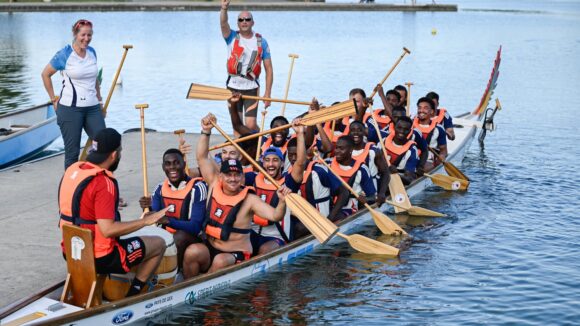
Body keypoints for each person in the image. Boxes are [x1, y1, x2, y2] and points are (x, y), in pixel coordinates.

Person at [58, 128, 167, 297]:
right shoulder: (104, 181)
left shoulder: (73, 169)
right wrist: (146, 221)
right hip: (102, 258)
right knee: (159, 244)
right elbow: (108, 230)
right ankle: (133, 296)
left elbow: (81, 204)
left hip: (71, 252)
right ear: (114, 155)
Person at [183, 114, 290, 279]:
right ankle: (187, 286)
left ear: (242, 177)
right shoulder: (213, 184)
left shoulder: (249, 199)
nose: (232, 179)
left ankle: (198, 288)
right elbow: (202, 157)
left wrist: (282, 201)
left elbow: (275, 215)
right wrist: (205, 131)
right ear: (221, 176)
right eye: (228, 175)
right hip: (211, 246)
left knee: (219, 261)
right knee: (192, 252)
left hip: (236, 254)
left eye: (236, 175)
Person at [42, 19, 106, 170]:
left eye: (89, 35)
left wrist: (100, 100)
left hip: (92, 108)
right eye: (83, 35)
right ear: (75, 34)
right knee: (72, 154)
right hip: (70, 109)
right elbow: (45, 74)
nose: (86, 38)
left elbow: (94, 79)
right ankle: (70, 190)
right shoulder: (64, 54)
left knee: (104, 144)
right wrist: (53, 99)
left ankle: (92, 181)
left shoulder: (92, 52)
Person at [139, 149, 208, 269]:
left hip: (192, 238)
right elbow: (154, 218)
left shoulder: (198, 188)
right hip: (167, 237)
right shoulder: (159, 189)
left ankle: (172, 274)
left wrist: (168, 221)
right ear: (163, 167)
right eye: (168, 164)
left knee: (179, 237)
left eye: (176, 163)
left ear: (184, 164)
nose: (172, 167)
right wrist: (147, 208)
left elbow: (196, 227)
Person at [220, 0, 273, 135]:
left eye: (247, 19)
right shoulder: (231, 37)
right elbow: (223, 23)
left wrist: (267, 93)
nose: (244, 22)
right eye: (241, 20)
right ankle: (239, 155)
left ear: (252, 22)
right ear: (237, 23)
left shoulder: (261, 42)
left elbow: (269, 69)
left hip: (251, 88)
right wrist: (224, 9)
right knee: (236, 125)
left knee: (250, 125)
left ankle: (262, 141)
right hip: (233, 87)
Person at [327, 135, 376, 219]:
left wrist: (366, 200)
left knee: (333, 217)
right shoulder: (327, 164)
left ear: (351, 150)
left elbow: (373, 197)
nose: (337, 151)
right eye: (336, 148)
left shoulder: (362, 169)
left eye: (341, 149)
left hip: (349, 209)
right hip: (329, 206)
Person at [412, 97, 448, 171]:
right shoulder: (409, 125)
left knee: (424, 167)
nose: (421, 110)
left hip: (428, 158)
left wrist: (441, 157)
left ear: (431, 111)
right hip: (411, 155)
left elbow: (443, 151)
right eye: (419, 108)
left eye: (425, 108)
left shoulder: (439, 129)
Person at [383, 117, 420, 185]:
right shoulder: (383, 137)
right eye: (399, 128)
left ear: (410, 131)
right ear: (394, 127)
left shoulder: (412, 150)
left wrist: (396, 174)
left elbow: (409, 179)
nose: (402, 131)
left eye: (405, 129)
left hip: (397, 181)